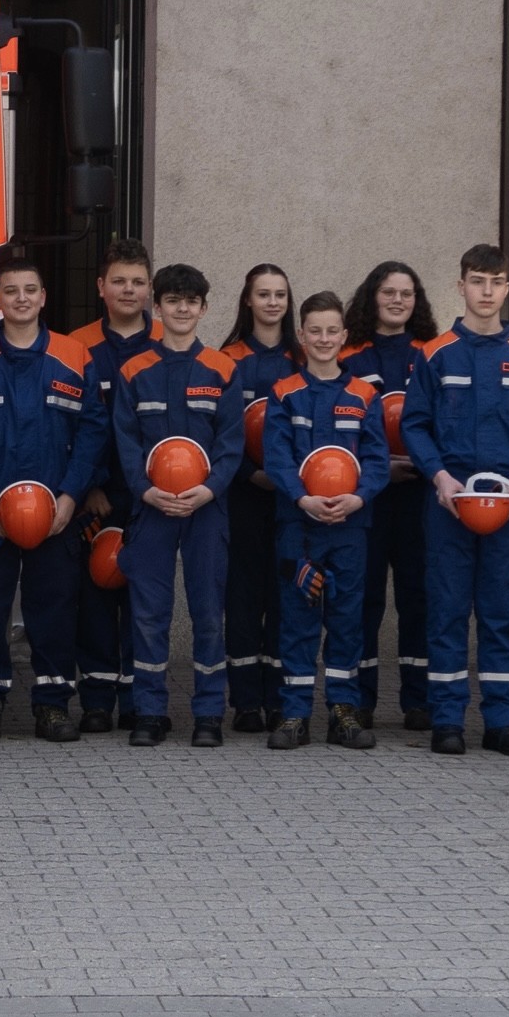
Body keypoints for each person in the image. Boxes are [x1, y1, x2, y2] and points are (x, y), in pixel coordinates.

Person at [402, 244, 509, 758]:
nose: (486, 292)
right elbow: (415, 424)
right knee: (446, 612)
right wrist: (440, 477)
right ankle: (447, 719)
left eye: (495, 282)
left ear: (508, 288)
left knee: (499, 613)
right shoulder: (435, 353)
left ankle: (499, 721)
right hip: (449, 503)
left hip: (507, 506)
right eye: (477, 281)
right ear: (460, 285)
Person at [0, 244, 104, 744]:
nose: (20, 299)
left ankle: (53, 705)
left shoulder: (74, 356)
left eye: (29, 290)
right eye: (10, 291)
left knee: (54, 606)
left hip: (56, 513)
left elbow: (93, 432)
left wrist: (71, 496)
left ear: (44, 298)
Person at [109, 263, 244, 748]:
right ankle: (149, 711)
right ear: (157, 307)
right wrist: (144, 490)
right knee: (148, 613)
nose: (182, 308)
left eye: (191, 301)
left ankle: (208, 714)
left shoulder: (223, 369)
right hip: (152, 507)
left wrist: (209, 490)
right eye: (172, 300)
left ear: (204, 309)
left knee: (208, 611)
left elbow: (232, 442)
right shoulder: (133, 370)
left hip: (207, 508)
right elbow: (124, 439)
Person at [267, 290, 390, 750]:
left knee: (347, 620)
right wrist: (302, 499)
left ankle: (343, 710)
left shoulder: (363, 395)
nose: (323, 338)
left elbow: (377, 457)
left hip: (351, 530)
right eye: (314, 330)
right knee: (298, 618)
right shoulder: (284, 394)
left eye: (331, 330)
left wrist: (359, 499)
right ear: (301, 335)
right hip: (298, 528)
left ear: (344, 335)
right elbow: (277, 457)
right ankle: (295, 713)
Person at [64, 239, 159, 732]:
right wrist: (89, 488)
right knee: (97, 592)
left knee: (145, 597)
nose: (128, 289)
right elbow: (73, 425)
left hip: (153, 497)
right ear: (101, 287)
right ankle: (98, 699)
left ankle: (141, 700)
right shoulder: (75, 347)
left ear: (149, 290)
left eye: (138, 282)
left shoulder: (168, 342)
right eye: (119, 280)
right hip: (97, 497)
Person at [341, 261, 439, 729]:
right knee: (365, 600)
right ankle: (360, 700)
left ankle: (418, 701)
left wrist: (420, 464)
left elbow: (442, 423)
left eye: (407, 293)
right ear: (372, 297)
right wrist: (377, 469)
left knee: (418, 597)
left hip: (420, 497)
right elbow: (338, 430)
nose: (398, 301)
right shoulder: (349, 356)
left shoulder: (432, 354)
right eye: (389, 292)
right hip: (368, 499)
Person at [217, 264, 297, 735]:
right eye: (263, 294)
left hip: (292, 499)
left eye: (280, 295)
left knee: (285, 597)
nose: (272, 302)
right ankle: (246, 701)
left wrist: (288, 479)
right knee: (243, 598)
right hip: (242, 495)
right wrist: (250, 473)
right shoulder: (227, 359)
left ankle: (281, 697)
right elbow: (220, 432)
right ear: (247, 300)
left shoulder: (303, 358)